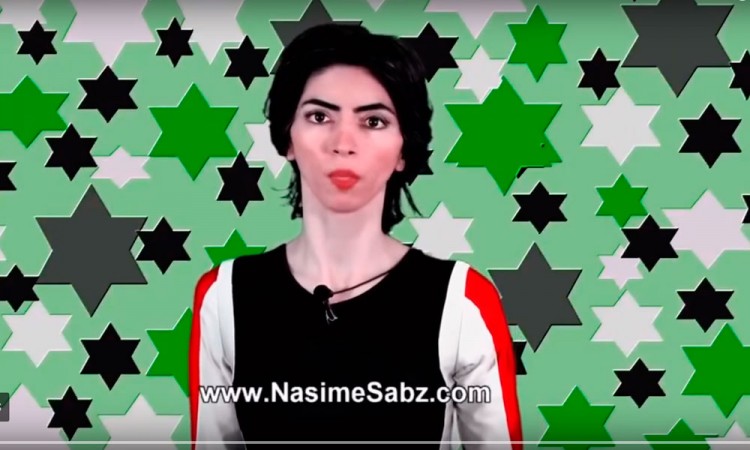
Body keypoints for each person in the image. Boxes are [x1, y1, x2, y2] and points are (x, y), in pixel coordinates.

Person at [188, 23, 522, 449]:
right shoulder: (224, 295)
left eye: (373, 121)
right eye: (319, 116)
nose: (343, 142)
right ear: (287, 137)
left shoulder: (463, 301)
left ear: (404, 149)